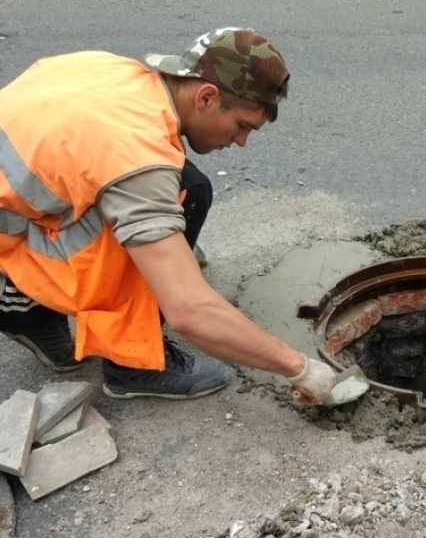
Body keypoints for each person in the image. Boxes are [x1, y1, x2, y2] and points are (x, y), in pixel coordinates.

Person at [0, 28, 342, 405]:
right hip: (9, 235)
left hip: (17, 206)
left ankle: (32, 307)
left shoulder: (115, 75)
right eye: (242, 126)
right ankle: (127, 364)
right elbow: (190, 311)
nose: (242, 141)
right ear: (206, 96)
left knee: (189, 187)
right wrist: (298, 367)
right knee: (178, 211)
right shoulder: (135, 155)